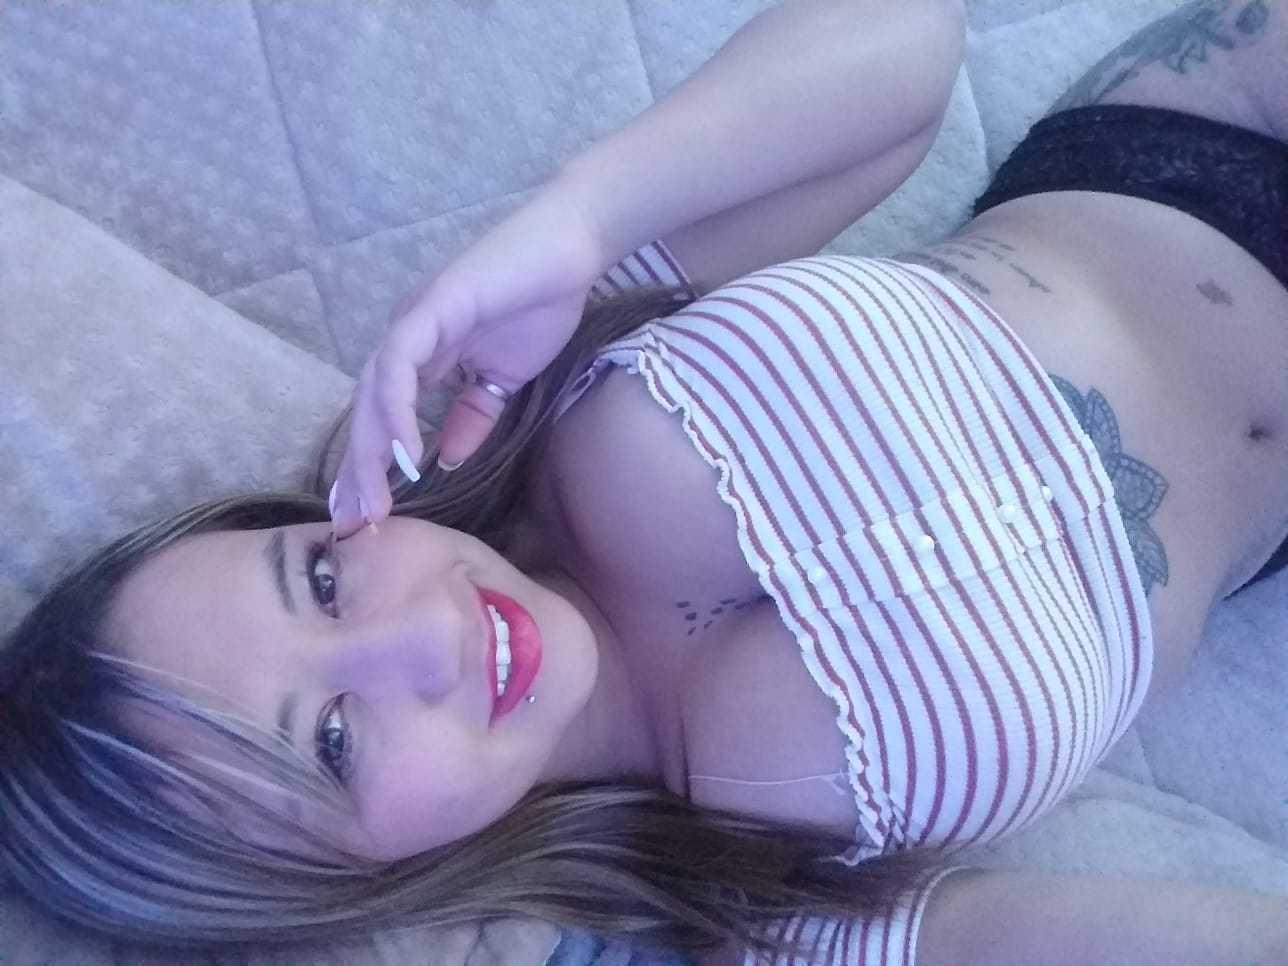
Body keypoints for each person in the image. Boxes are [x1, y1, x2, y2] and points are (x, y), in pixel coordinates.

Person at [2, 0, 1287, 962]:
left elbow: (909, 45)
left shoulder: (523, 407)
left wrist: (583, 218)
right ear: (347, 880)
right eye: (332, 741)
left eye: (323, 581)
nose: (422, 638)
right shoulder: (738, 903)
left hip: (1196, 143)